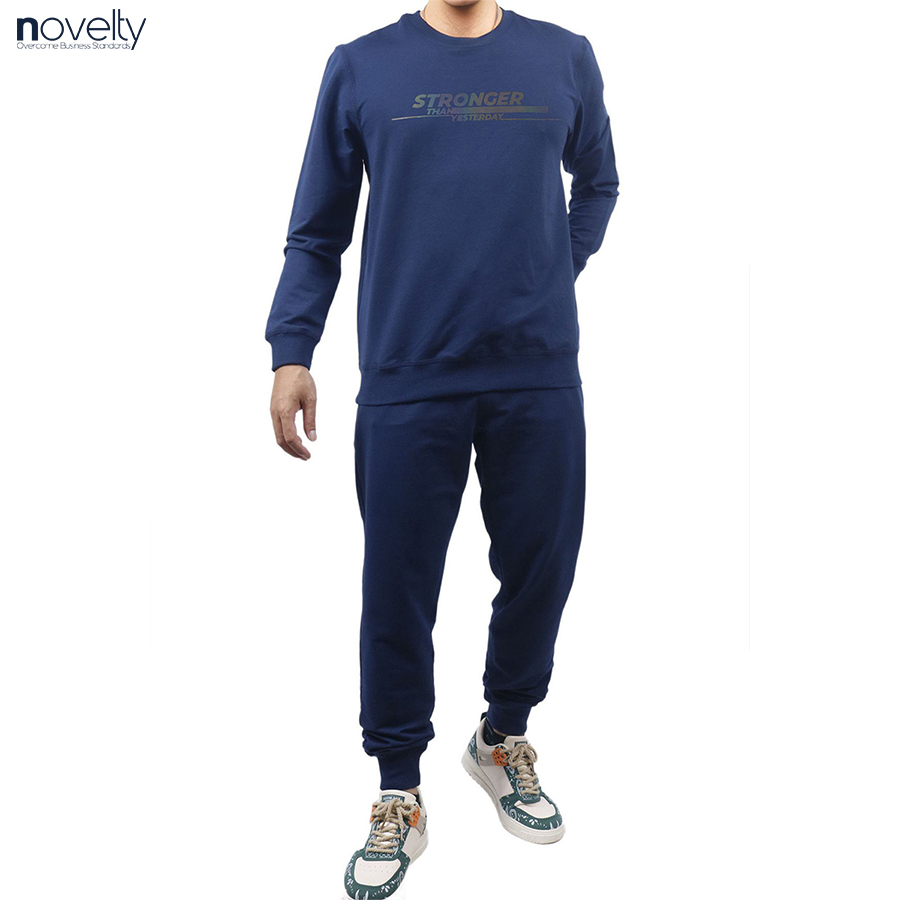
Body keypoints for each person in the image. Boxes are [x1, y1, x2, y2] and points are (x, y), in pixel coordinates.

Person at [266, 2, 618, 895]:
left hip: (537, 369)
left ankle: (502, 736)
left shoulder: (565, 57)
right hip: (407, 370)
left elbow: (601, 183)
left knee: (543, 567)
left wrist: (553, 267)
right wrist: (292, 350)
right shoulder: (361, 66)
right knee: (397, 587)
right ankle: (399, 790)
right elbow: (317, 229)